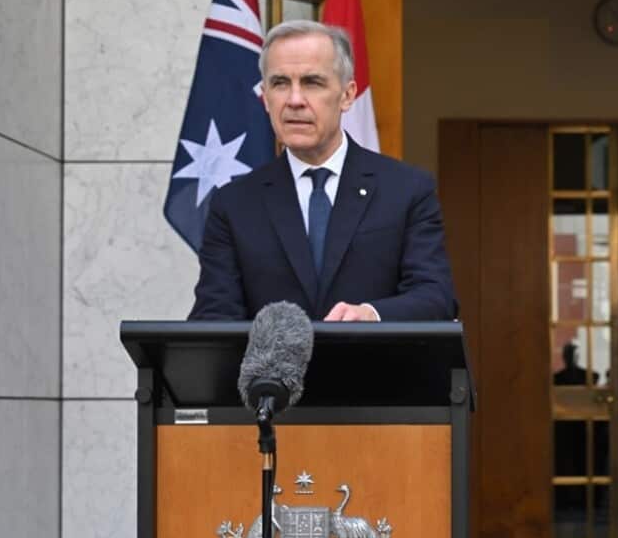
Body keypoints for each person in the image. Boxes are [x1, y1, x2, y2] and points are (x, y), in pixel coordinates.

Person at [189, 20, 457, 321]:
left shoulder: (407, 190)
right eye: (280, 84)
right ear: (265, 97)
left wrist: (371, 314)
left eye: (312, 83)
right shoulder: (234, 204)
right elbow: (214, 315)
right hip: (275, 369)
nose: (294, 101)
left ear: (347, 95)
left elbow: (436, 296)